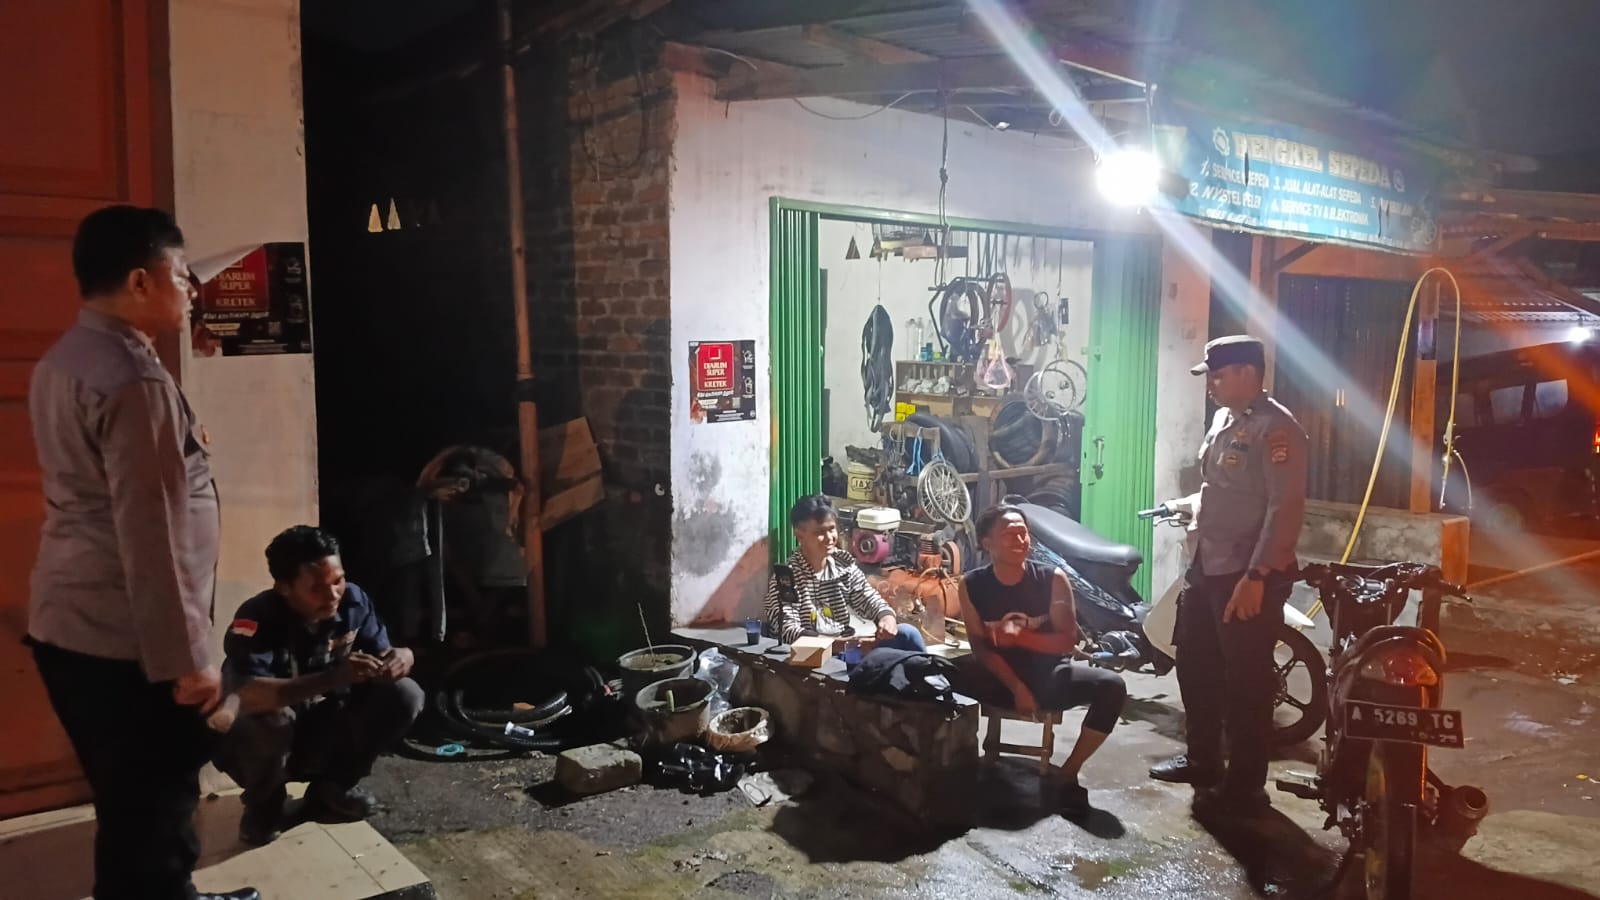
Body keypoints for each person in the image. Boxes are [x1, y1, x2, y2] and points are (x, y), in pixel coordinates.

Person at [26, 206, 258, 900]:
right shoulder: (132, 379)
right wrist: (186, 657)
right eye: (181, 275)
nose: (191, 289)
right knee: (156, 809)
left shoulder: (68, 356)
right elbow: (150, 533)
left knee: (130, 809)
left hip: (73, 626)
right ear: (139, 281)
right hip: (124, 641)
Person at [1148, 334, 1309, 818]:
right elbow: (1220, 487)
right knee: (1194, 663)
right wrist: (1189, 506)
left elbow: (1283, 510)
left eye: (1218, 376)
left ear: (1247, 374)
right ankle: (1202, 760)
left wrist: (1257, 576)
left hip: (1247, 572)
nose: (1211, 385)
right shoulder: (1224, 420)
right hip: (1208, 564)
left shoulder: (1278, 431)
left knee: (1246, 683)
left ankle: (1245, 786)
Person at [216, 526, 424, 846]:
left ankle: (335, 786)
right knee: (269, 718)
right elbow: (246, 695)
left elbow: (384, 653)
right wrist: (335, 677)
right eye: (317, 588)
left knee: (406, 694)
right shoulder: (257, 618)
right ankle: (265, 803)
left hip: (323, 725)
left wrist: (402, 657)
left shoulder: (353, 601)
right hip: (262, 741)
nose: (333, 595)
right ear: (284, 588)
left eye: (338, 580)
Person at [955, 504, 1127, 817]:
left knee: (1112, 687)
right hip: (997, 678)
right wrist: (1017, 687)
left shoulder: (1052, 579)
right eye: (1010, 535)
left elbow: (1066, 640)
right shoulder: (971, 584)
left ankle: (1068, 773)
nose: (1021, 540)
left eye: (1024, 533)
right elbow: (981, 648)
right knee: (931, 676)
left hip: (1048, 677)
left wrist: (1021, 638)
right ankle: (949, 768)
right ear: (986, 542)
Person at [764, 495, 926, 651]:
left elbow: (869, 600)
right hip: (812, 656)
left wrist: (886, 619)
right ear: (800, 535)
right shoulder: (787, 577)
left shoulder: (842, 565)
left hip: (848, 648)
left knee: (907, 633)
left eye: (831, 529)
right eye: (819, 532)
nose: (829, 538)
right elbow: (787, 630)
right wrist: (839, 645)